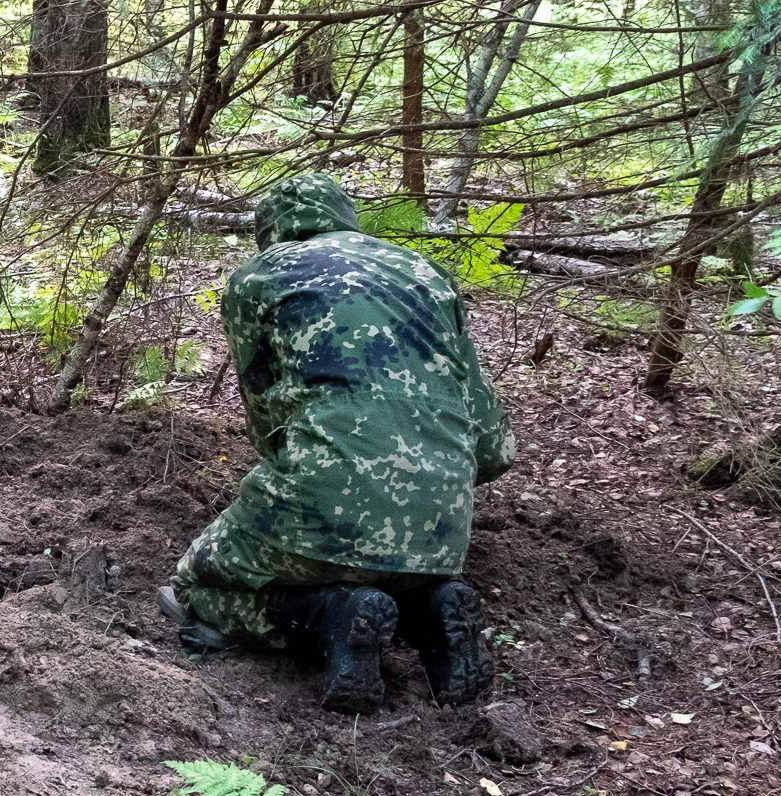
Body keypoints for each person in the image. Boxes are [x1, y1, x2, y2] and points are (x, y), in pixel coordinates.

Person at [160, 173, 515, 713]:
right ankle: (433, 611)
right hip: (444, 523)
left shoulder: (260, 277)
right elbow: (492, 445)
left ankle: (330, 616)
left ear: (269, 231)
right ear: (345, 217)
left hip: (323, 499)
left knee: (194, 585)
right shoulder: (426, 273)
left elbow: (266, 423)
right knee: (395, 568)